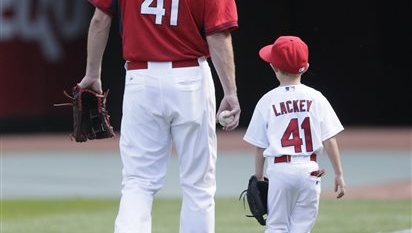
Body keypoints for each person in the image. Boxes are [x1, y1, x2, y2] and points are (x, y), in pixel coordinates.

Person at [77, 1, 241, 233]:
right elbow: (218, 35)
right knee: (198, 186)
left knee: (138, 181)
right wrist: (230, 92)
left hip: (141, 78)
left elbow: (100, 19)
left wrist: (93, 72)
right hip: (190, 77)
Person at [243, 35, 346, 233]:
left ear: (274, 67)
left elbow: (259, 146)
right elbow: (329, 139)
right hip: (310, 170)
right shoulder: (317, 97)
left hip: (280, 171)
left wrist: (259, 177)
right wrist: (339, 174)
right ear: (305, 67)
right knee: (301, 229)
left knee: (277, 227)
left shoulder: (267, 100)